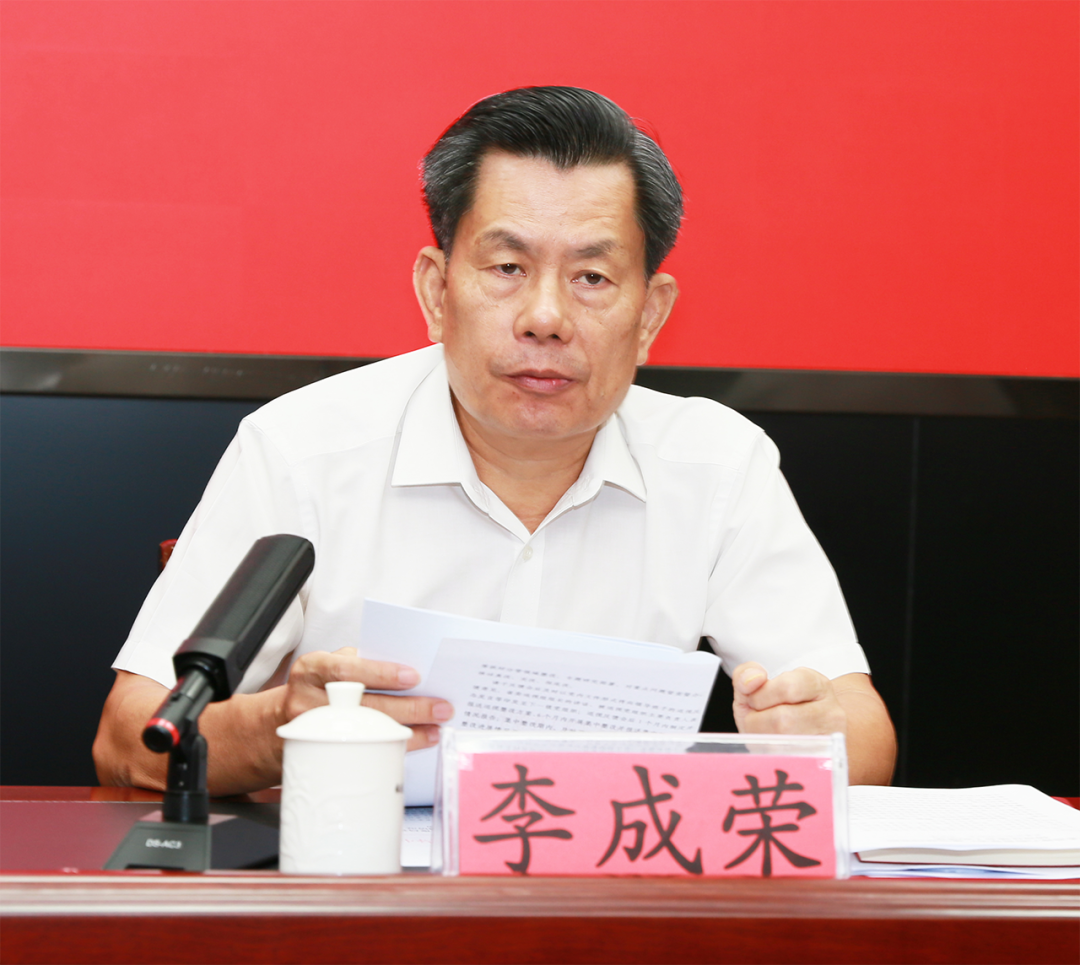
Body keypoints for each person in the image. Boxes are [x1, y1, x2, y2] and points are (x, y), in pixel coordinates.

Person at [93, 87, 896, 795]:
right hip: (352, 886)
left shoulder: (718, 465)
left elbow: (863, 733)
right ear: (436, 291)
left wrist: (814, 735)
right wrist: (283, 727)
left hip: (604, 896)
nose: (545, 317)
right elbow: (130, 738)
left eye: (591, 277)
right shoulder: (300, 450)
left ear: (651, 315)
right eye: (508, 266)